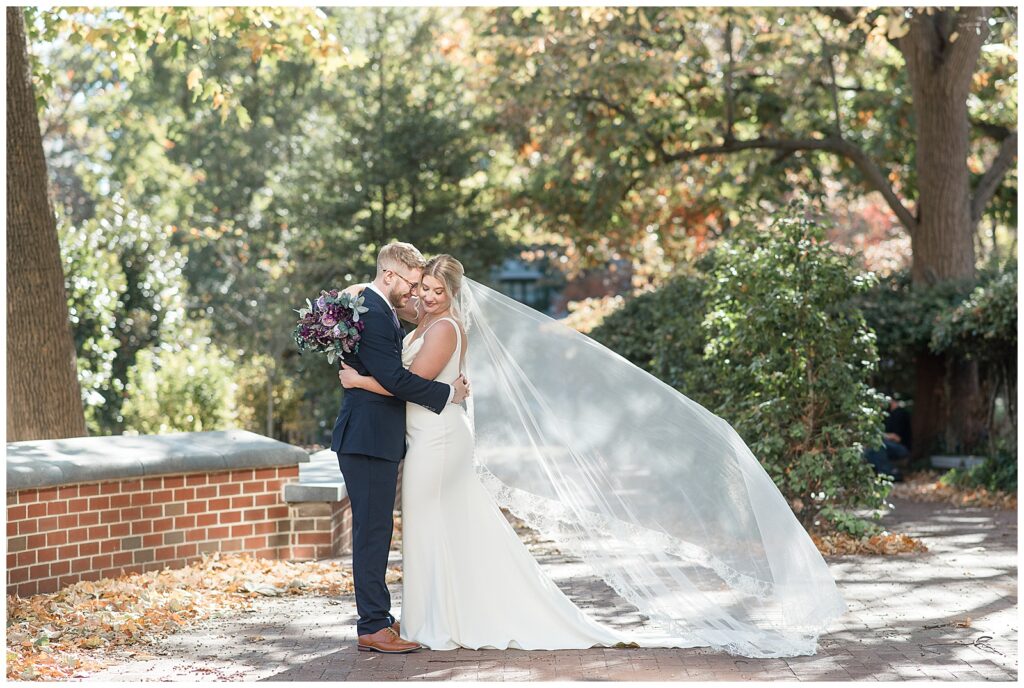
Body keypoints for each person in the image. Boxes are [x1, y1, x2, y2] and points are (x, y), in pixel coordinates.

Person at [338, 253, 846, 657]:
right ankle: (431, 616)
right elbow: (402, 354)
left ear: (452, 295)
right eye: (421, 288)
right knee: (435, 527)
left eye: (435, 290)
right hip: (429, 436)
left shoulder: (445, 329)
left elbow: (413, 384)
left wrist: (364, 380)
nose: (424, 296)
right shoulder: (421, 325)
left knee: (428, 523)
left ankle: (436, 619)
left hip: (441, 439)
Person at [330, 243, 470, 655]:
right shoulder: (373, 312)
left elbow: (416, 329)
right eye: (412, 284)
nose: (416, 295)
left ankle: (379, 617)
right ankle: (373, 624)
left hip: (377, 436)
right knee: (373, 533)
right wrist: (448, 393)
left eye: (425, 287)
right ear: (390, 276)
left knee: (377, 529)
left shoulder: (377, 306)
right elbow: (396, 379)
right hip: (369, 437)